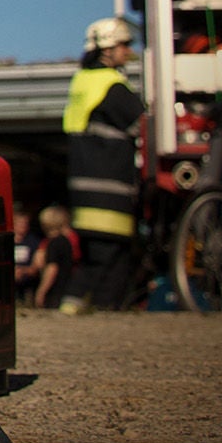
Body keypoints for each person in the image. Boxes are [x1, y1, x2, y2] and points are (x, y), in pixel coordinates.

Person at [59, 16, 145, 314]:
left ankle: (84, 310)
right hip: (110, 185)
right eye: (123, 46)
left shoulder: (82, 81)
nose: (128, 52)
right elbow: (141, 123)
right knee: (109, 255)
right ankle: (89, 311)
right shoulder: (112, 85)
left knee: (99, 254)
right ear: (107, 49)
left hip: (84, 185)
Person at [31, 205, 78, 309]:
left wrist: (42, 290)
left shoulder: (53, 243)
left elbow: (52, 268)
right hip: (66, 287)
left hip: (55, 291)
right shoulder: (65, 241)